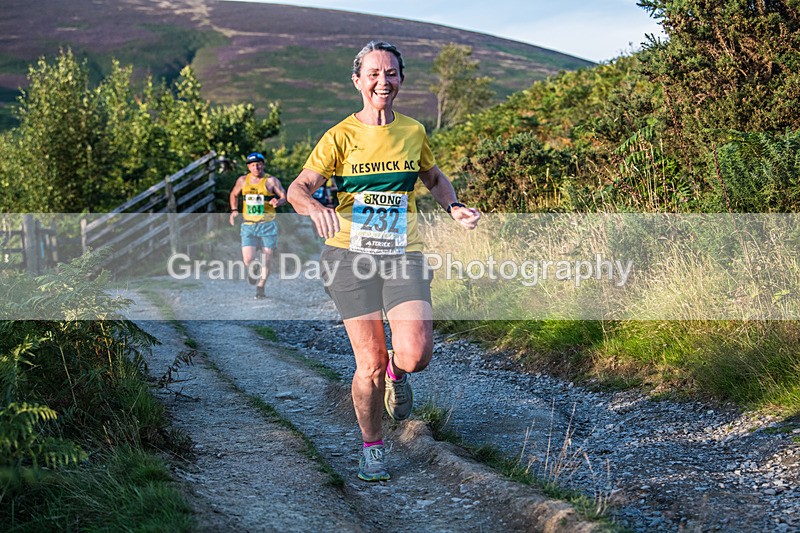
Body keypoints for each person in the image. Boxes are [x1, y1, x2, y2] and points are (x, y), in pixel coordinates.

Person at [286, 40, 481, 482]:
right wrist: (312, 206)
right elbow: (299, 187)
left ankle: (399, 371)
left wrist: (454, 207)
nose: (382, 81)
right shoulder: (339, 136)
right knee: (368, 361)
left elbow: (431, 176)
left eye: (390, 73)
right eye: (373, 73)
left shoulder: (413, 131)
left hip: (402, 255)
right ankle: (373, 446)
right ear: (357, 81)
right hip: (349, 256)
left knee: (416, 355)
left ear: (401, 80)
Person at [229, 152, 287, 299]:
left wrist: (278, 202)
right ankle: (253, 269)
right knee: (248, 259)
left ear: (263, 165)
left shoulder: (271, 181)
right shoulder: (243, 180)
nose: (256, 167)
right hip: (248, 225)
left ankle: (261, 286)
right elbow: (233, 194)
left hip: (267, 225)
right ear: (249, 167)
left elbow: (284, 196)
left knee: (267, 258)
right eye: (253, 165)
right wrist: (234, 210)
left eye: (259, 164)